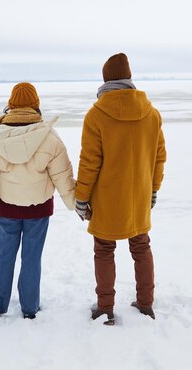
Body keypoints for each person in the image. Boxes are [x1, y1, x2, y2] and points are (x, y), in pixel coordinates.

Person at [75, 53, 166, 325]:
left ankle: (105, 308)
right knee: (141, 246)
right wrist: (153, 190)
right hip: (138, 197)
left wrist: (81, 198)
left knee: (104, 249)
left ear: (105, 80)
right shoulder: (151, 113)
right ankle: (145, 303)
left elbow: (89, 162)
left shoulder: (96, 115)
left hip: (107, 200)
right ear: (128, 78)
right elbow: (159, 157)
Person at [0, 82, 76, 319]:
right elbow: (62, 177)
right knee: (32, 258)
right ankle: (30, 308)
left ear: (11, 104)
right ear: (36, 104)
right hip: (38, 211)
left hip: (6, 209)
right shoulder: (50, 138)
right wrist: (76, 204)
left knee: (3, 256)